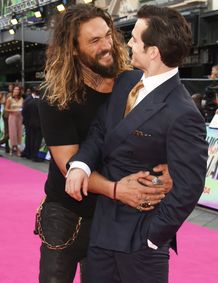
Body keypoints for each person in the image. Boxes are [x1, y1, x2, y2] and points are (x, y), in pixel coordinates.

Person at [66, 5, 208, 283]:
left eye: (135, 38)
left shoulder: (182, 112)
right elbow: (99, 132)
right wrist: (80, 165)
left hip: (140, 242)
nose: (128, 42)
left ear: (153, 51)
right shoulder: (124, 82)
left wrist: (153, 237)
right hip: (103, 227)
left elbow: (190, 186)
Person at [37, 4, 173, 283]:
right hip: (67, 214)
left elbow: (165, 133)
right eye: (94, 41)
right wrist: (117, 190)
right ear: (73, 49)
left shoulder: (135, 83)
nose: (107, 45)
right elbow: (68, 165)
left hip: (118, 215)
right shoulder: (55, 96)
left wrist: (171, 169)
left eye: (108, 35)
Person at [5, 85, 23, 156]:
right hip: (12, 117)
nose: (16, 91)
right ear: (13, 91)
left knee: (19, 133)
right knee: (13, 133)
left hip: (20, 117)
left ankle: (18, 149)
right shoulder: (9, 99)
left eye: (18, 90)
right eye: (15, 89)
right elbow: (6, 109)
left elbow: (23, 108)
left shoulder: (21, 99)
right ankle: (12, 148)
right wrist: (13, 110)